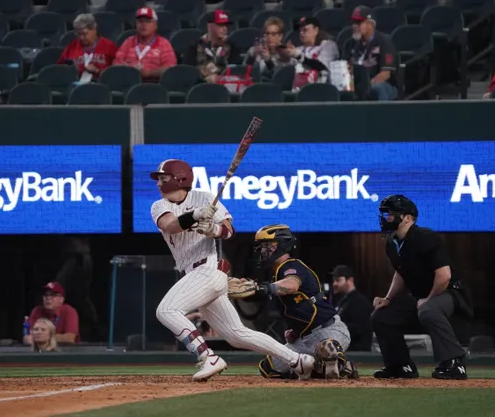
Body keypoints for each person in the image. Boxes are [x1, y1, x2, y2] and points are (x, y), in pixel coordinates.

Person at [150, 159, 315, 382]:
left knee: (166, 311)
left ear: (180, 178)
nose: (159, 183)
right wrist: (196, 215)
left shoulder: (206, 197)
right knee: (236, 335)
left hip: (208, 271)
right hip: (196, 278)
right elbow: (170, 225)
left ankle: (207, 357)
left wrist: (213, 228)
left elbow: (229, 232)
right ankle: (297, 360)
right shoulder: (159, 206)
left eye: (163, 178)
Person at [371, 195, 473, 380]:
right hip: (421, 296)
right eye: (386, 215)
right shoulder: (392, 244)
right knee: (382, 315)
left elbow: (444, 276)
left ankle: (454, 364)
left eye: (391, 215)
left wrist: (428, 299)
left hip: (451, 292)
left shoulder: (425, 237)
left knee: (428, 310)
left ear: (407, 218)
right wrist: (387, 298)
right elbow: (401, 273)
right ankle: (400, 366)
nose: (386, 219)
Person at [248, 224, 358, 380]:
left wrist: (264, 288)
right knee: (269, 369)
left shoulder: (291, 265)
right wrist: (295, 330)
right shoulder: (277, 274)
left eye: (267, 245)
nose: (262, 250)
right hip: (303, 338)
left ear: (282, 244)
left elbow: (292, 285)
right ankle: (338, 369)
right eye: (262, 246)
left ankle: (330, 360)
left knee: (326, 348)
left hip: (328, 331)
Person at [347, 6, 398, 101]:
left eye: (359, 22)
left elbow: (385, 74)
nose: (355, 25)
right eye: (353, 22)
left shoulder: (384, 41)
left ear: (371, 24)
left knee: (378, 89)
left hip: (383, 85)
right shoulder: (349, 43)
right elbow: (345, 71)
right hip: (356, 86)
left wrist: (365, 87)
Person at [113, 7, 177, 82]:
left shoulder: (164, 43)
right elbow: (116, 63)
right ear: (136, 24)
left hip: (154, 84)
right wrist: (130, 68)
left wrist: (149, 73)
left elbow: (170, 68)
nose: (143, 24)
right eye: (140, 21)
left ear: (155, 25)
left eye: (147, 21)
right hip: (128, 82)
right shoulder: (128, 41)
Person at [183, 10, 241, 83]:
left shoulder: (233, 46)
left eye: (226, 25)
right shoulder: (194, 47)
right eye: (220, 25)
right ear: (210, 26)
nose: (225, 28)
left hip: (225, 85)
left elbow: (234, 71)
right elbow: (188, 72)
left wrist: (218, 78)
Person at [58, 14, 118, 83]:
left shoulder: (109, 46)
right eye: (78, 34)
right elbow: (60, 68)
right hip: (76, 85)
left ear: (94, 29)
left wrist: (98, 71)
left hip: (100, 85)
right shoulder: (72, 46)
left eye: (84, 34)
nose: (81, 37)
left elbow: (115, 73)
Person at [331, 265, 373, 352]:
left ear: (350, 280)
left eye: (338, 280)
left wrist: (334, 326)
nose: (334, 284)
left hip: (358, 353)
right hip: (346, 351)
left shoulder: (359, 301)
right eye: (334, 280)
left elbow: (360, 328)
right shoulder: (343, 301)